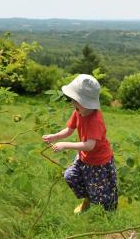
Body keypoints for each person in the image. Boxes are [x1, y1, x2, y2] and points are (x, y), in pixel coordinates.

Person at [42, 74, 118, 213]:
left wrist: (65, 145)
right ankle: (87, 199)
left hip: (99, 162)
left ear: (86, 102)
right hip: (84, 157)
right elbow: (69, 130)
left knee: (101, 194)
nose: (73, 103)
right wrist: (55, 136)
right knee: (70, 176)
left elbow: (90, 145)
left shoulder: (95, 120)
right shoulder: (78, 112)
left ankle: (109, 215)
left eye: (75, 100)